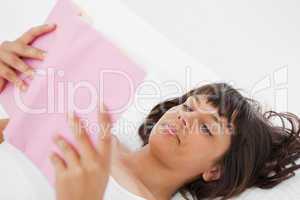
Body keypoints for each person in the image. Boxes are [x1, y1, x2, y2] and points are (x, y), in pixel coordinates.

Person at [0, 24, 300, 200]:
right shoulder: (92, 132)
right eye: (189, 105)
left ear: (215, 170)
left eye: (207, 127)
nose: (185, 116)